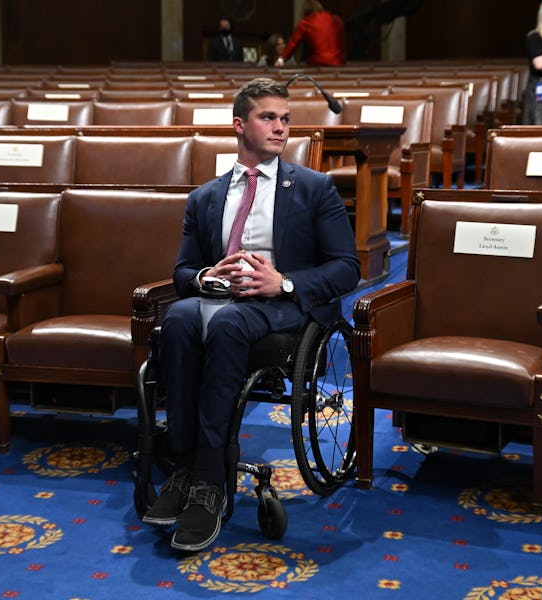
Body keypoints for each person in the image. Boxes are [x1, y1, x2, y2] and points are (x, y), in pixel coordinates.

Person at [141, 78, 360, 552]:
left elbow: (348, 268)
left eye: (285, 119)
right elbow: (182, 269)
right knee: (178, 318)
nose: (280, 127)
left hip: (283, 308)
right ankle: (183, 463)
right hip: (221, 300)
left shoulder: (314, 188)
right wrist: (204, 278)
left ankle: (208, 482)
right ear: (240, 125)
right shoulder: (205, 197)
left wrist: (282, 281)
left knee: (225, 323)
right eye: (269, 117)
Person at [274, 0, 346, 67]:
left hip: (317, 63)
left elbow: (293, 43)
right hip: (337, 62)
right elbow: (341, 42)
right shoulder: (335, 19)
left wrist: (281, 59)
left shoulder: (305, 23)